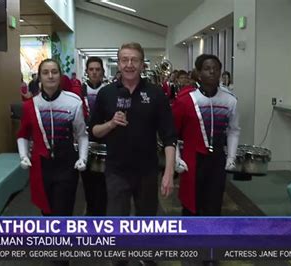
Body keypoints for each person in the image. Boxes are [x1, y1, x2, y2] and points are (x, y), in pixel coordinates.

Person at [90, 42, 177, 266]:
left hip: (147, 170)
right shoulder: (106, 94)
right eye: (124, 60)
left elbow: (169, 137)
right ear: (118, 63)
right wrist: (110, 124)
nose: (129, 65)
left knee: (147, 220)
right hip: (116, 171)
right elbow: (94, 131)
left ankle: (147, 257)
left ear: (142, 64)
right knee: (117, 222)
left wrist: (168, 173)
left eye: (134, 60)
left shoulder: (156, 94)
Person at [17, 58, 88, 216]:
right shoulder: (30, 105)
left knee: (63, 210)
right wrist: (23, 155)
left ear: (60, 76)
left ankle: (62, 239)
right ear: (39, 77)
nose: (50, 76)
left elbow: (82, 135)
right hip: (42, 165)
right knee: (46, 210)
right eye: (45, 72)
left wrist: (83, 158)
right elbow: (23, 134)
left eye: (54, 72)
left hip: (67, 164)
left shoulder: (73, 102)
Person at [172, 54, 240, 218]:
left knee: (214, 205)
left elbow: (234, 130)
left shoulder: (230, 100)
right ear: (198, 73)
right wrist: (176, 158)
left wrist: (231, 157)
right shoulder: (186, 99)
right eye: (207, 69)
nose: (212, 72)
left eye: (215, 69)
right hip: (192, 159)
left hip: (217, 159)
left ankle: (210, 240)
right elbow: (171, 133)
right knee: (190, 206)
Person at [79, 56, 109, 216]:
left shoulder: (110, 91)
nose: (95, 72)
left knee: (104, 185)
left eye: (98, 69)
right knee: (88, 183)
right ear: (87, 72)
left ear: (103, 72)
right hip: (86, 143)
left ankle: (102, 217)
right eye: (91, 69)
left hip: (105, 143)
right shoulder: (79, 92)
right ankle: (91, 215)